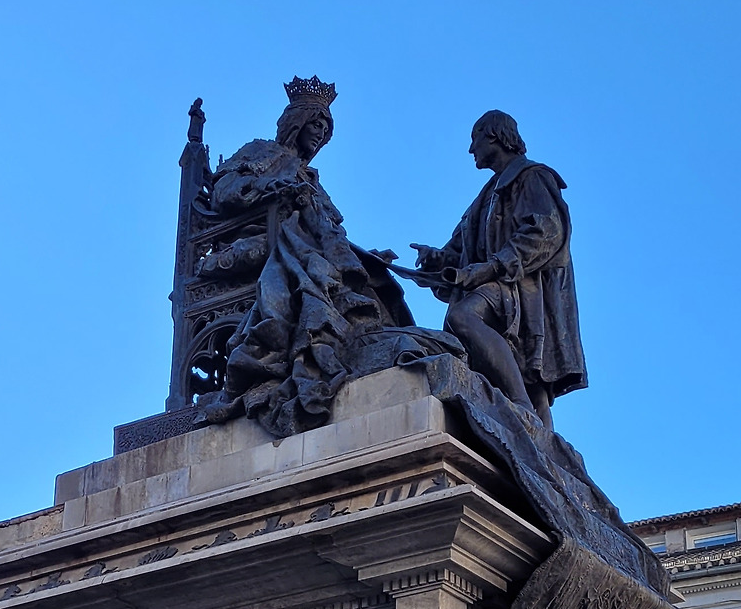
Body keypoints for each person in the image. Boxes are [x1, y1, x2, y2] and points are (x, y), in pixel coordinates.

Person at [196, 77, 415, 437]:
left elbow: (332, 232)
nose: (320, 134)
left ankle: (363, 347)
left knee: (371, 275)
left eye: (325, 130)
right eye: (316, 125)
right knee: (313, 264)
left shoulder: (312, 177)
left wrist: (367, 256)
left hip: (307, 242)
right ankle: (312, 349)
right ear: (297, 122)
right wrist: (270, 187)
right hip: (261, 235)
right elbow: (224, 192)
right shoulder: (261, 151)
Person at [411, 111, 586, 428]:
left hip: (521, 289)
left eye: (474, 139)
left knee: (463, 317)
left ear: (494, 135)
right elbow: (460, 251)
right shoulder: (484, 198)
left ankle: (519, 406)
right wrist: (438, 258)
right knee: (534, 391)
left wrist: (492, 266)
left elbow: (547, 231)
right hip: (499, 284)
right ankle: (541, 439)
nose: (471, 149)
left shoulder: (532, 177)